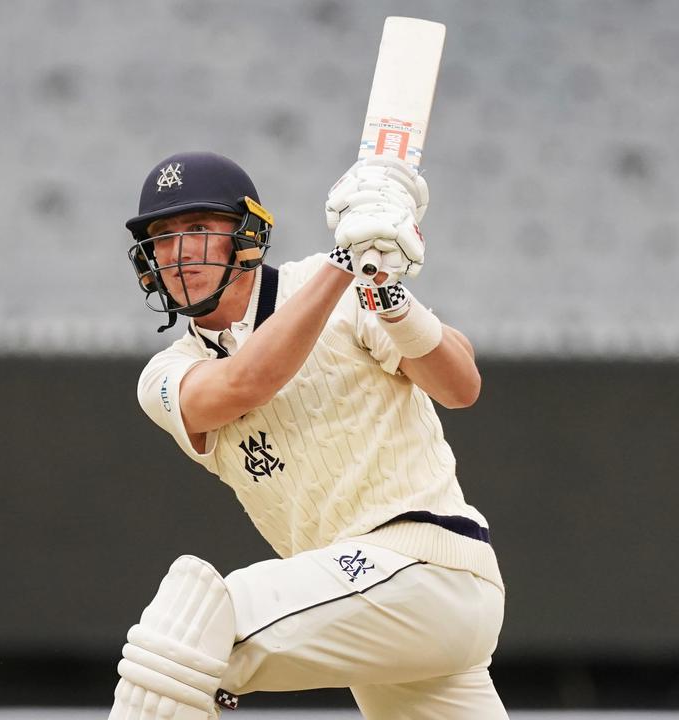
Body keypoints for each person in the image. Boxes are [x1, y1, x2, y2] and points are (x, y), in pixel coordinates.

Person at [109, 150, 505, 719]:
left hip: (427, 570)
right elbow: (246, 383)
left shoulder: (347, 290)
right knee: (191, 634)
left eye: (197, 229)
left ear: (247, 237)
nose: (177, 253)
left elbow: (461, 385)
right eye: (162, 237)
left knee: (191, 630)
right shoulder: (165, 376)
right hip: (367, 607)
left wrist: (389, 297)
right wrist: (345, 264)